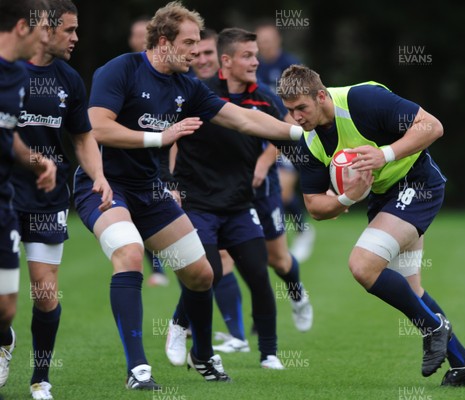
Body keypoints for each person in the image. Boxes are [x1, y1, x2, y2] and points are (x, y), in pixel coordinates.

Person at [73, 2, 303, 390]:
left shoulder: (187, 86)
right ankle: (138, 369)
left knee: (201, 274)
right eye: (190, 43)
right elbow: (97, 128)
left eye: (199, 43)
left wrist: (303, 133)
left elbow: (243, 119)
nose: (197, 52)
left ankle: (201, 353)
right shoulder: (121, 70)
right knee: (129, 255)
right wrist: (159, 138)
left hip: (150, 191)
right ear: (163, 42)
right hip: (104, 185)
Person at [277, 65, 465, 386]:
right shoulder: (310, 141)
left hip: (418, 184)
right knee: (411, 291)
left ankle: (434, 328)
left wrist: (384, 154)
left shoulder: (363, 100)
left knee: (362, 265)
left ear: (321, 96)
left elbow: (433, 126)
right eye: (290, 111)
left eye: (301, 108)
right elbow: (316, 207)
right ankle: (464, 363)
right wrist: (348, 198)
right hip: (383, 197)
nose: (297, 117)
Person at [165, 29, 312, 362]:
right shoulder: (200, 94)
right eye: (248, 55)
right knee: (211, 269)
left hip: (254, 194)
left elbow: (287, 133)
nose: (256, 61)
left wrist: (264, 162)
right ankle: (182, 326)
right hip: (204, 199)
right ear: (226, 60)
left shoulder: (264, 96)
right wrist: (170, 182)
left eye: (256, 54)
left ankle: (292, 303)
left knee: (272, 265)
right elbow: (173, 137)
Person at [10, 1, 112, 398]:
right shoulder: (8, 70)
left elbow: (83, 135)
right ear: (44, 30)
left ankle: (40, 378)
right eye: (68, 31)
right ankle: (5, 339)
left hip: (48, 198)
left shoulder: (69, 79)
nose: (75, 38)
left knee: (45, 291)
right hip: (4, 193)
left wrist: (99, 176)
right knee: (3, 299)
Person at [0, 0, 55, 391]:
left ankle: (4, 339)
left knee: (5, 308)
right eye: (42, 29)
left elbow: (9, 135)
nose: (45, 37)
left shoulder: (18, 76)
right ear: (23, 27)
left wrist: (38, 162)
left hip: (4, 201)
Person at [255, 22, 315, 263]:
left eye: (268, 39)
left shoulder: (291, 66)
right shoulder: (253, 67)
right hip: (261, 135)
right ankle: (272, 237)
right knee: (270, 189)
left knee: (284, 188)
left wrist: (291, 129)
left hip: (289, 135)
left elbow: (304, 102)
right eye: (261, 40)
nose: (265, 44)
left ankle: (302, 230)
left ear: (278, 39)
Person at [128, 15, 170, 288]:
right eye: (135, 34)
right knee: (134, 220)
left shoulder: (172, 78)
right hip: (130, 166)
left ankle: (171, 267)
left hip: (163, 159)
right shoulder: (121, 71)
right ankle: (156, 268)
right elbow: (99, 127)